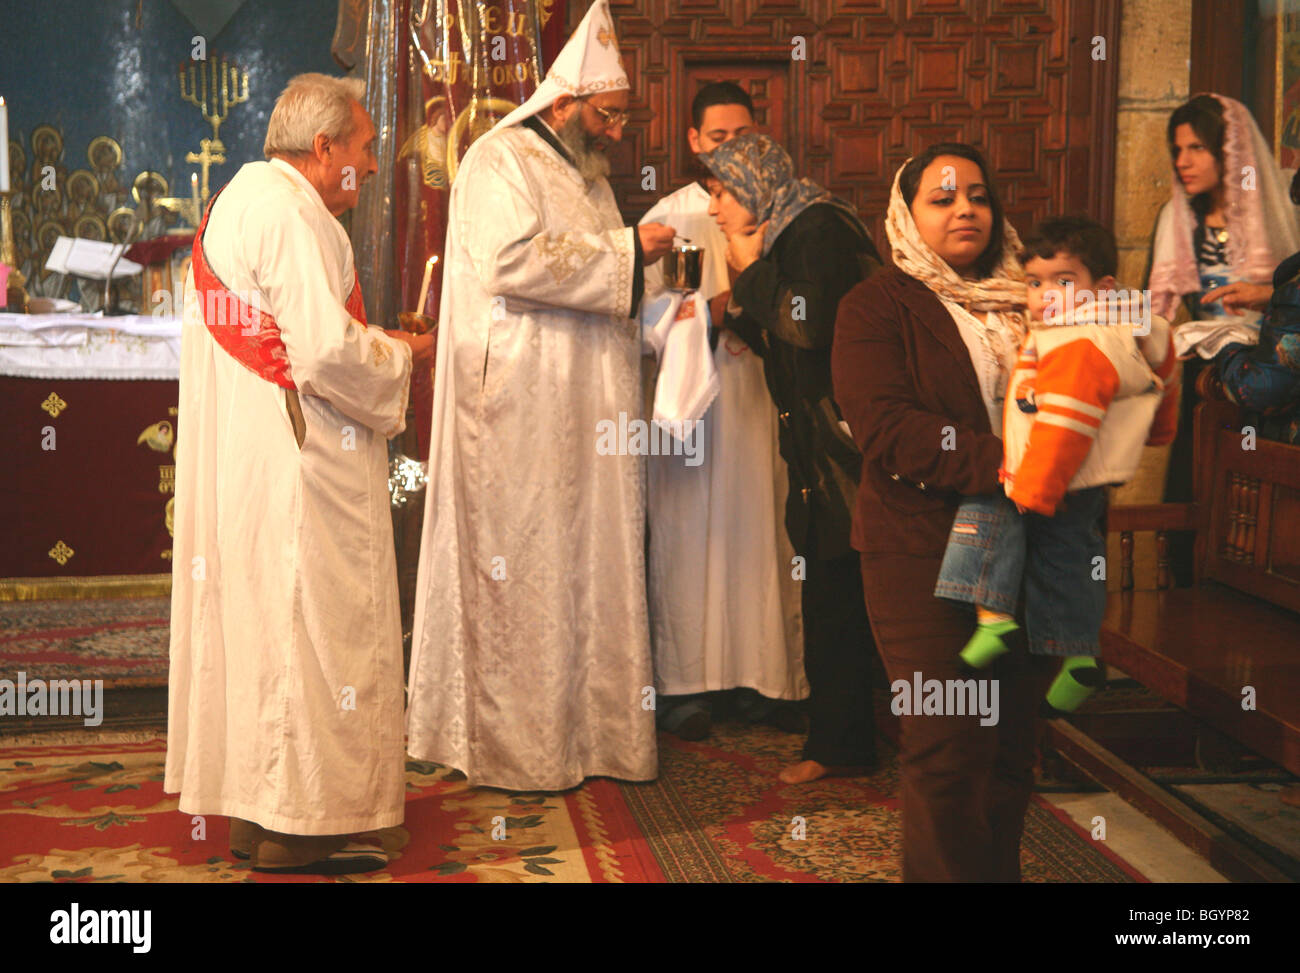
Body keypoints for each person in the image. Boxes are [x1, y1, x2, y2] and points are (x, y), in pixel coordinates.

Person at [406, 0, 676, 791]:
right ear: (566, 103)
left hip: (583, 406)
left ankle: (590, 731)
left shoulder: (584, 175)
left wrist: (648, 262)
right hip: (520, 409)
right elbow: (514, 263)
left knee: (586, 565)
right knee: (523, 565)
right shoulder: (500, 162)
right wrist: (631, 249)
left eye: (623, 116)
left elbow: (601, 266)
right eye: (610, 114)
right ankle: (516, 743)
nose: (619, 131)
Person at [165, 73, 432, 874]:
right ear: (323, 150)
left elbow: (290, 336)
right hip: (304, 463)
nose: (375, 165)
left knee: (259, 630)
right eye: (365, 148)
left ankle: (257, 815)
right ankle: (299, 827)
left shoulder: (241, 199)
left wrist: (369, 340)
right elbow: (320, 355)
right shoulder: (294, 214)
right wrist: (402, 354)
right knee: (306, 629)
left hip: (254, 458)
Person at [832, 142, 1053, 881]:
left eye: (980, 196)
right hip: (921, 548)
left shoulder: (1035, 299)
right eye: (943, 196)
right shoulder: (874, 306)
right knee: (949, 744)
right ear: (905, 214)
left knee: (1011, 744)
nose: (966, 209)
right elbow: (886, 427)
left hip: (1031, 547)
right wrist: (1012, 463)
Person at [933, 216, 1179, 713]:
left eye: (1062, 282)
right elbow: (1165, 373)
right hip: (1087, 477)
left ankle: (991, 616)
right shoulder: (1125, 324)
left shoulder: (1075, 343)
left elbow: (1067, 423)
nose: (1045, 295)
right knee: (1070, 560)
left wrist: (1035, 490)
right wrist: (1160, 431)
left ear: (1101, 288)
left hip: (1053, 470)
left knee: (991, 511)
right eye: (1035, 282)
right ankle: (1078, 657)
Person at [698, 133, 882, 784]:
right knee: (833, 597)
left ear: (753, 186)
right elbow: (779, 340)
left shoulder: (817, 227)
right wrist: (733, 310)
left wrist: (749, 269)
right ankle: (840, 744)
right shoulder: (792, 231)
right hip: (819, 456)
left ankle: (846, 745)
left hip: (849, 454)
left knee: (848, 598)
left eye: (722, 191)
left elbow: (806, 323)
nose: (715, 207)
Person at [640, 82, 807, 741]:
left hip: (760, 395)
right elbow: (639, 312)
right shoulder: (671, 214)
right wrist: (696, 318)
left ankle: (764, 678)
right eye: (718, 139)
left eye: (743, 136)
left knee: (762, 533)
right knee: (689, 538)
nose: (731, 149)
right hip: (693, 405)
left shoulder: (785, 211)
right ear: (693, 142)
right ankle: (686, 686)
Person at [1148, 94, 1300, 579]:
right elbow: (1158, 302)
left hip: (1269, 373)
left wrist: (1263, 293)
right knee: (1198, 485)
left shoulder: (1274, 212)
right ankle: (1187, 582)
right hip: (1203, 371)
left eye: (1196, 148)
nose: (1183, 162)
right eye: (1178, 149)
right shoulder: (1178, 219)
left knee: (1255, 501)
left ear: (1229, 153)